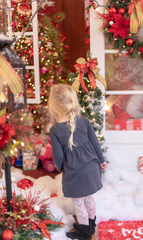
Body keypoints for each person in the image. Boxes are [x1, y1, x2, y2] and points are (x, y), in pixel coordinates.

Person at [48, 84, 107, 240]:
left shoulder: (55, 130)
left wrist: (61, 168)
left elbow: (58, 156)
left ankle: (85, 232)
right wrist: (101, 160)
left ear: (53, 106)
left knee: (79, 202)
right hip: (92, 166)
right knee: (88, 197)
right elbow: (95, 143)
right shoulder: (84, 121)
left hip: (76, 171)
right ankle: (91, 225)